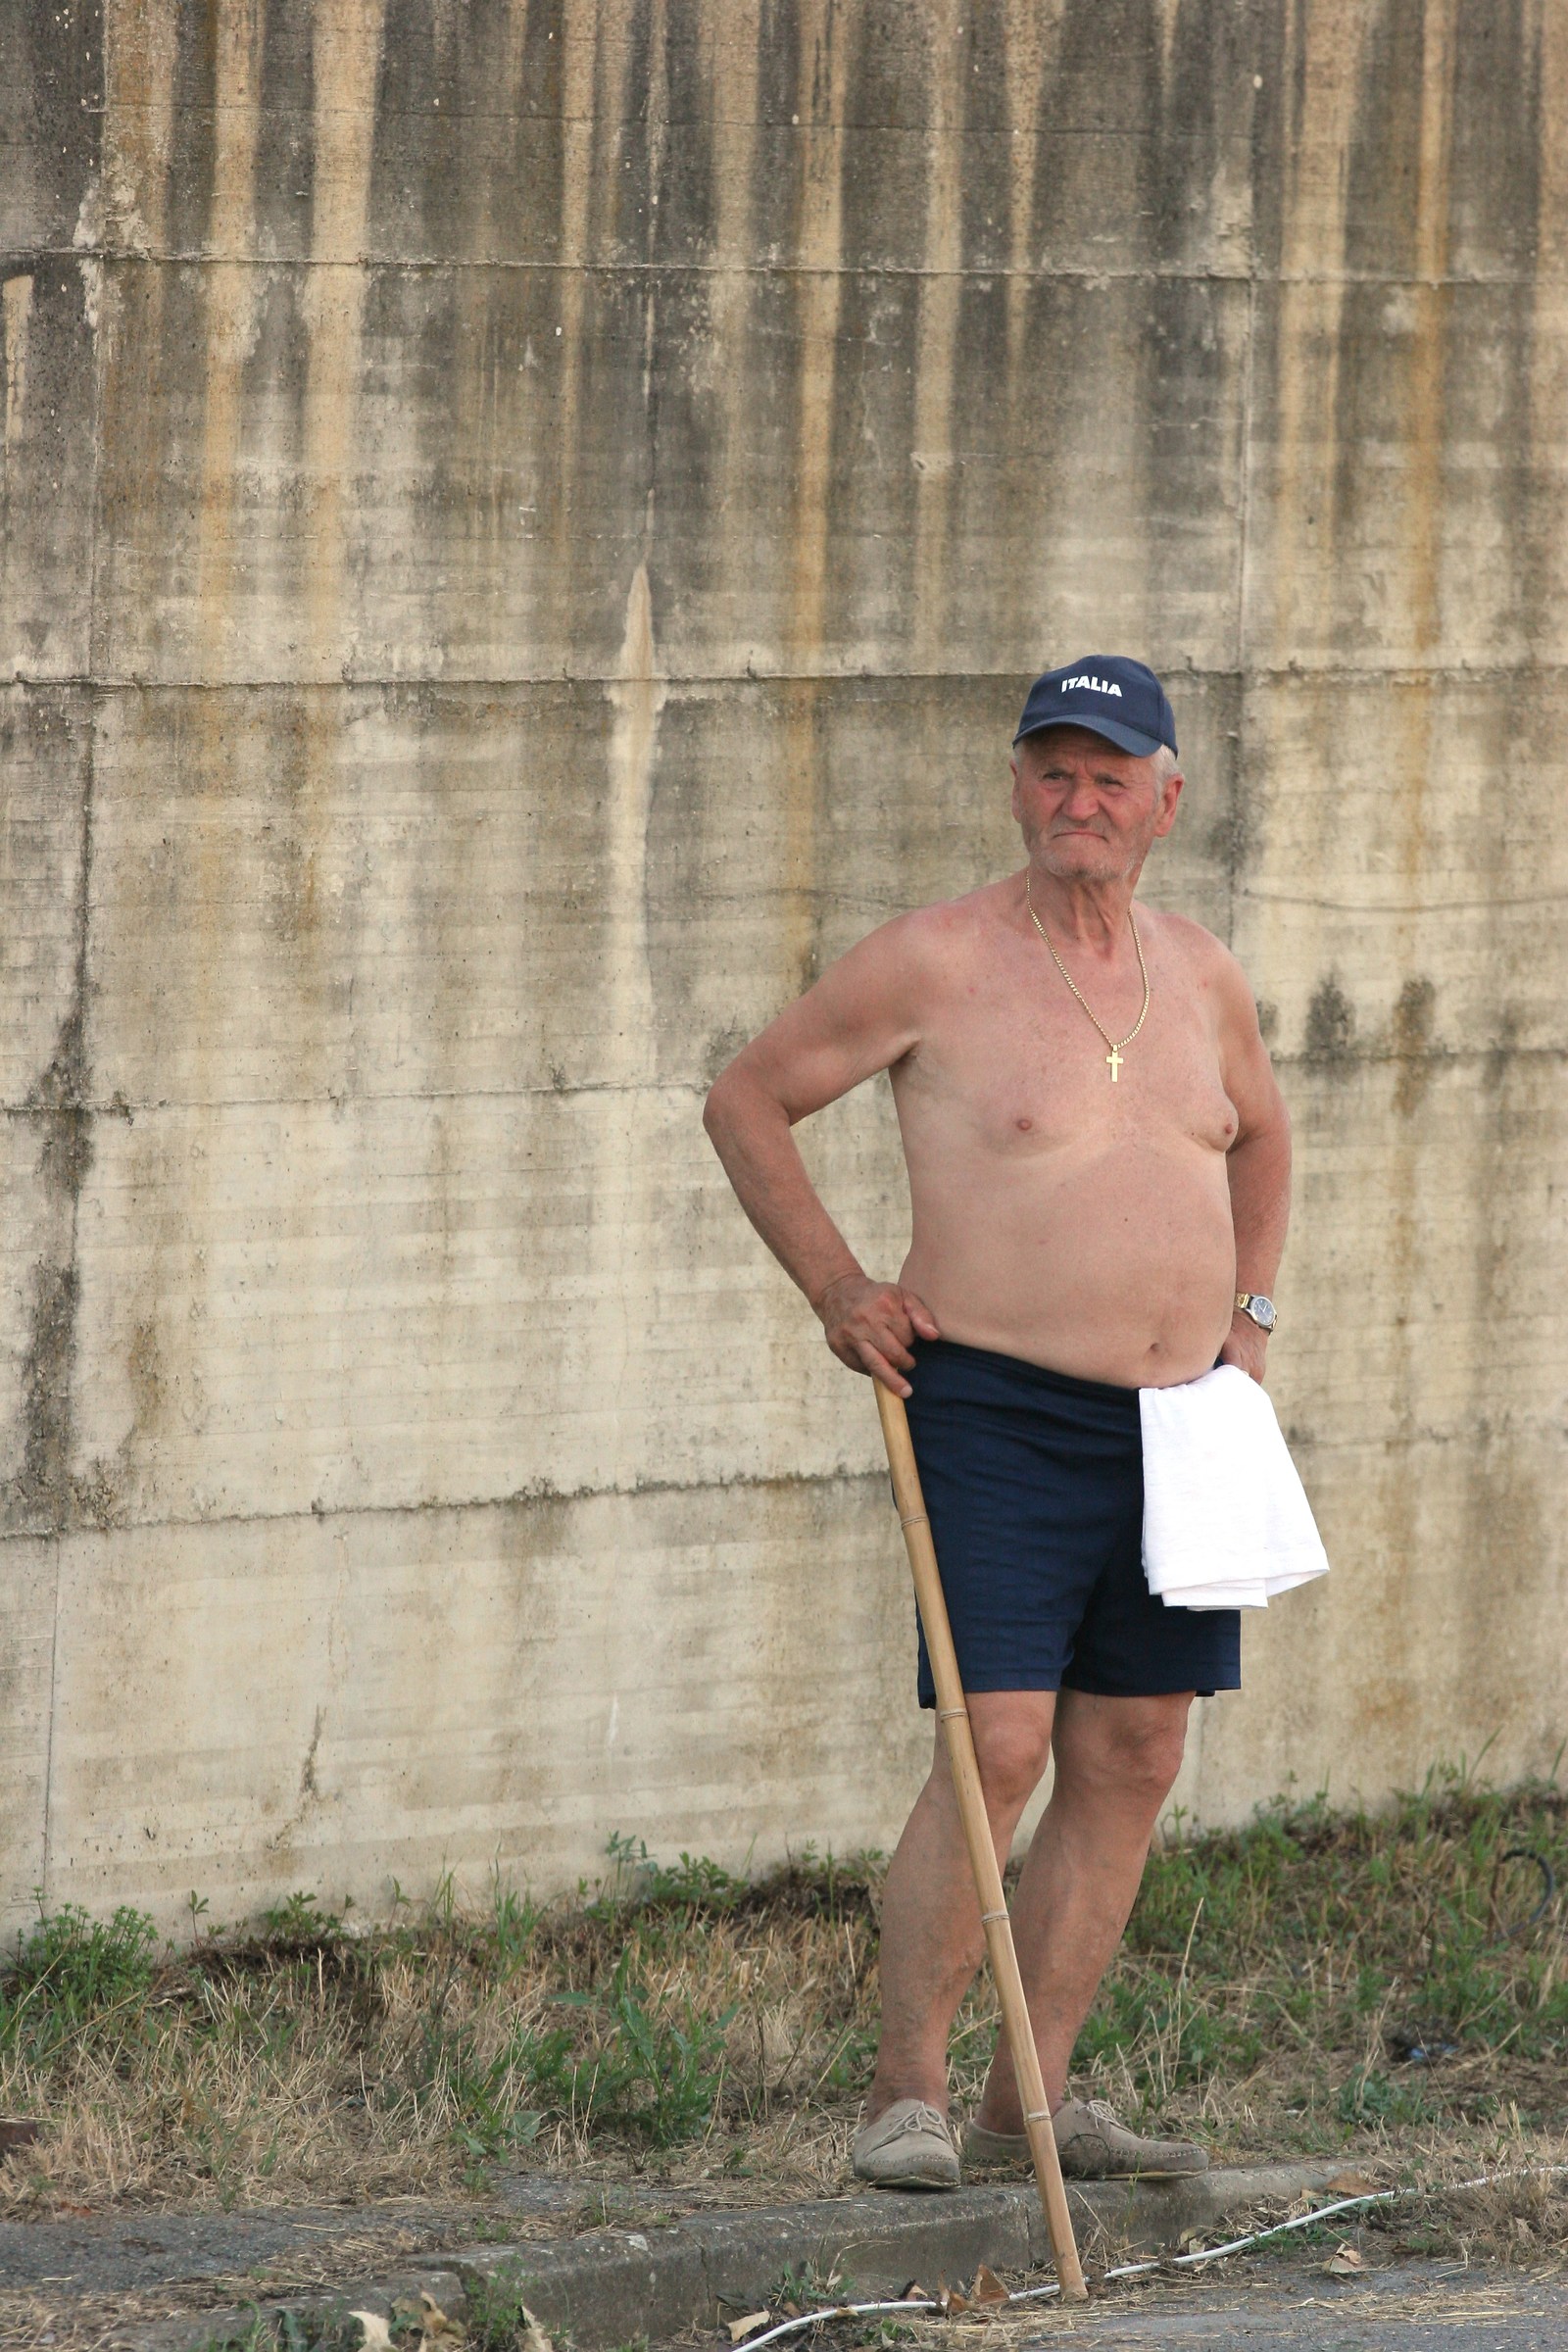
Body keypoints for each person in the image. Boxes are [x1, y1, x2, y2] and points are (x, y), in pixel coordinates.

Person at [702, 655, 1293, 2189]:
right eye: (1051, 770)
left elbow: (1266, 1135)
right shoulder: (936, 961)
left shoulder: (1201, 969)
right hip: (998, 1411)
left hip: (1186, 1422)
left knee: (1137, 1752)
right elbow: (750, 1096)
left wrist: (1254, 1319)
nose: (1075, 799)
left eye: (1108, 775)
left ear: (1166, 800)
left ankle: (1031, 2098)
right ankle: (907, 2097)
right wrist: (839, 1287)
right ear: (1016, 785)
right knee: (1000, 1744)